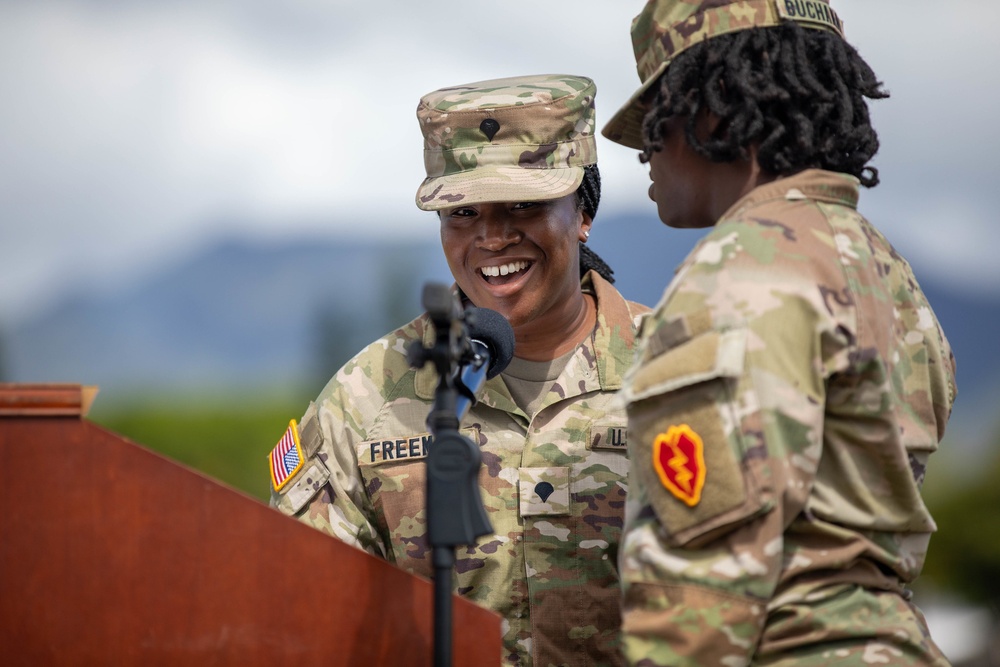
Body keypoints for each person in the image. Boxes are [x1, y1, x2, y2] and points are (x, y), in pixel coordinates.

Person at [600, 1, 957, 665]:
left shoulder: (740, 274)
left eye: (657, 114)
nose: (645, 148)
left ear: (719, 101)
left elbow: (700, 590)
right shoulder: (881, 266)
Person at [269, 73, 650, 667]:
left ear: (583, 212)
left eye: (524, 204)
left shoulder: (678, 368)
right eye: (463, 212)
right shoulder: (369, 394)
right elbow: (299, 605)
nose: (493, 237)